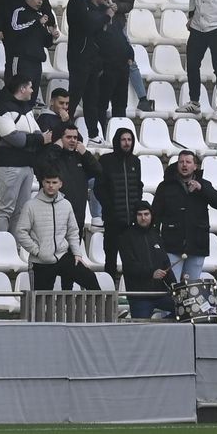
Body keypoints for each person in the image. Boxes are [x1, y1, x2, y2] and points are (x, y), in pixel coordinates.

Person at [88, 0, 153, 112]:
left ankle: (142, 98)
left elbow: (129, 3)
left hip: (117, 26)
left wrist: (118, 7)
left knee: (129, 60)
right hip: (98, 28)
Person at [14, 172, 99, 291]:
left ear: (60, 184)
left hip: (62, 256)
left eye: (54, 182)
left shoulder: (66, 204)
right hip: (40, 261)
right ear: (42, 183)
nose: (50, 186)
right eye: (48, 182)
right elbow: (21, 232)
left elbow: (73, 231)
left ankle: (100, 309)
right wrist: (37, 251)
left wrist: (77, 254)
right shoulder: (30, 206)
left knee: (89, 278)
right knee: (40, 301)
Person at [151, 151, 217, 283]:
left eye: (188, 162)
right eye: (181, 162)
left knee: (192, 287)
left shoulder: (204, 184)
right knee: (172, 284)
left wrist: (201, 189)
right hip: (172, 244)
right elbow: (155, 215)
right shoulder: (165, 186)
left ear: (195, 166)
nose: (184, 165)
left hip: (197, 244)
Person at [75, 0, 132, 141]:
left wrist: (130, 55)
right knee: (101, 105)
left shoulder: (112, 14)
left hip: (122, 67)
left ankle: (120, 140)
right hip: (105, 68)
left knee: (121, 106)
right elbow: (95, 38)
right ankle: (101, 137)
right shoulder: (93, 14)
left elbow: (122, 36)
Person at [0, 77, 46, 232]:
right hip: (8, 164)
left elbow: (38, 133)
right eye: (30, 87)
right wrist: (36, 139)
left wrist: (35, 138)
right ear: (22, 89)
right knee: (6, 209)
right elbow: (15, 138)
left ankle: (14, 248)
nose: (33, 91)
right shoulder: (1, 109)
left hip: (27, 164)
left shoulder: (27, 109)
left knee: (21, 211)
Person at [96, 126, 145, 277]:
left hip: (131, 222)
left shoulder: (136, 161)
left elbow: (138, 186)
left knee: (131, 261)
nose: (126, 143)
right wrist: (110, 209)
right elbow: (99, 188)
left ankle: (130, 294)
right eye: (123, 139)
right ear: (117, 141)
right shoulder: (106, 160)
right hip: (113, 221)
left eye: (129, 139)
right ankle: (109, 294)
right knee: (110, 260)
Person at [35, 125, 100, 225]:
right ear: (60, 139)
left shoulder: (81, 157)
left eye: (75, 137)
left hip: (78, 215)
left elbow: (99, 172)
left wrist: (86, 153)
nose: (73, 140)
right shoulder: (51, 154)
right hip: (54, 215)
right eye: (68, 137)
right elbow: (42, 170)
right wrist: (56, 148)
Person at [119, 203, 174, 319]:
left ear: (151, 215)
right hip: (139, 296)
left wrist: (173, 284)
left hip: (160, 293)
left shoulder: (156, 235)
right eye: (139, 215)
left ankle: (162, 329)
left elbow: (165, 263)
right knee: (141, 330)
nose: (143, 218)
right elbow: (129, 266)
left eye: (146, 214)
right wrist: (151, 273)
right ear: (135, 216)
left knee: (185, 309)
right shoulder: (126, 236)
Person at [3, 0, 58, 101]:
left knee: (31, 97)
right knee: (18, 94)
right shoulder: (19, 12)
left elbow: (45, 42)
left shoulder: (39, 16)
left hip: (37, 62)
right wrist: (37, 23)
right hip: (22, 60)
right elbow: (15, 29)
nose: (40, 1)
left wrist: (52, 37)